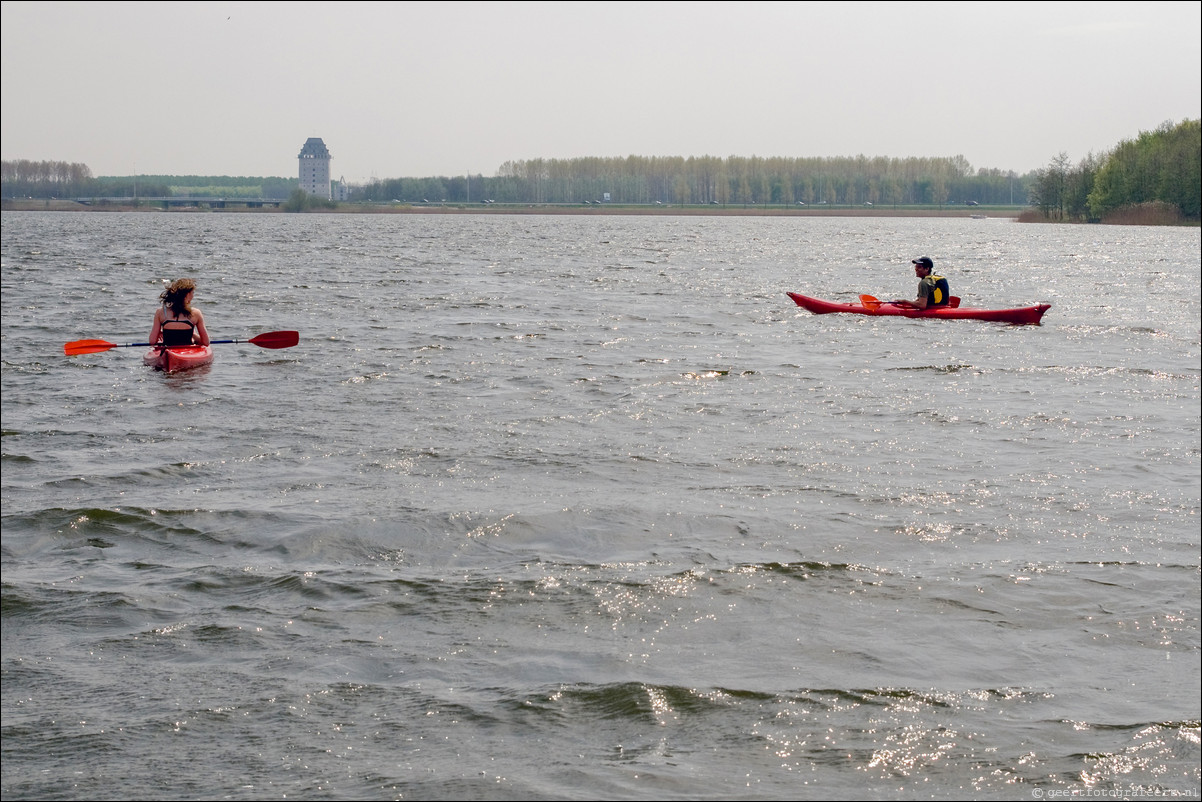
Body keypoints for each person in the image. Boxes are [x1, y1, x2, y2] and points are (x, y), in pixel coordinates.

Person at [150, 278, 210, 346]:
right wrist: (192, 334)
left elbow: (152, 341)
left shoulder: (160, 312)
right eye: (192, 293)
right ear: (187, 295)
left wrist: (159, 333)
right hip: (188, 352)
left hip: (168, 349)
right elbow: (206, 342)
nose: (193, 296)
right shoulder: (196, 313)